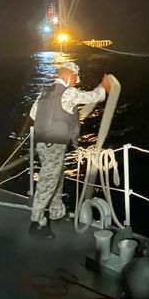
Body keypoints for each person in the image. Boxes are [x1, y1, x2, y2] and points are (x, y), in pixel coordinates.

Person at [28, 61, 111, 238]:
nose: (76, 80)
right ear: (69, 75)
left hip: (42, 142)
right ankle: (37, 223)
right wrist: (103, 87)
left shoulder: (46, 91)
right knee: (48, 180)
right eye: (75, 77)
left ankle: (56, 211)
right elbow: (92, 97)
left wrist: (59, 117)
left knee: (56, 176)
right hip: (55, 143)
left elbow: (33, 114)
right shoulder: (69, 91)